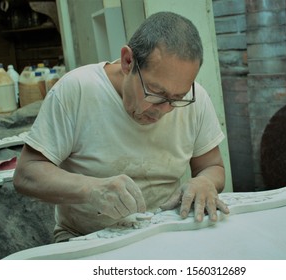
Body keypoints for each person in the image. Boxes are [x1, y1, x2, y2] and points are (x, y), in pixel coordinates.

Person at [13, 11, 230, 242]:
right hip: (88, 238)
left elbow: (213, 166)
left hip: (166, 230)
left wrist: (205, 181)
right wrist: (90, 189)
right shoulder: (77, 90)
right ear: (128, 61)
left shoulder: (196, 99)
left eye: (178, 98)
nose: (165, 109)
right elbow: (26, 174)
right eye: (156, 93)